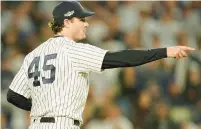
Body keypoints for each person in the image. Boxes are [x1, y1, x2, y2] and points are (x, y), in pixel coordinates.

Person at [7, 1, 195, 129]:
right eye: (82, 19)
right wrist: (164, 52)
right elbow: (121, 58)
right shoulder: (73, 50)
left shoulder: (33, 54)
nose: (86, 24)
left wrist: (42, 106)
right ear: (66, 22)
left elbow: (13, 95)